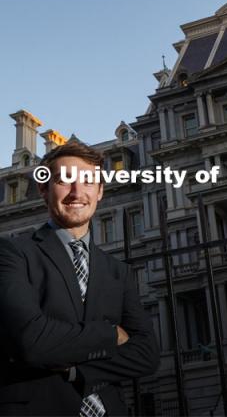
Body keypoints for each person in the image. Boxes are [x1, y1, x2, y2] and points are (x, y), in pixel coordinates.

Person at [0, 141, 160, 416]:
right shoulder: (13, 252)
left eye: (87, 181)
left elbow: (146, 355)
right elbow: (31, 341)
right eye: (64, 180)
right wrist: (110, 333)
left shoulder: (117, 270)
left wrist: (76, 370)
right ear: (43, 189)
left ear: (99, 191)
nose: (77, 192)